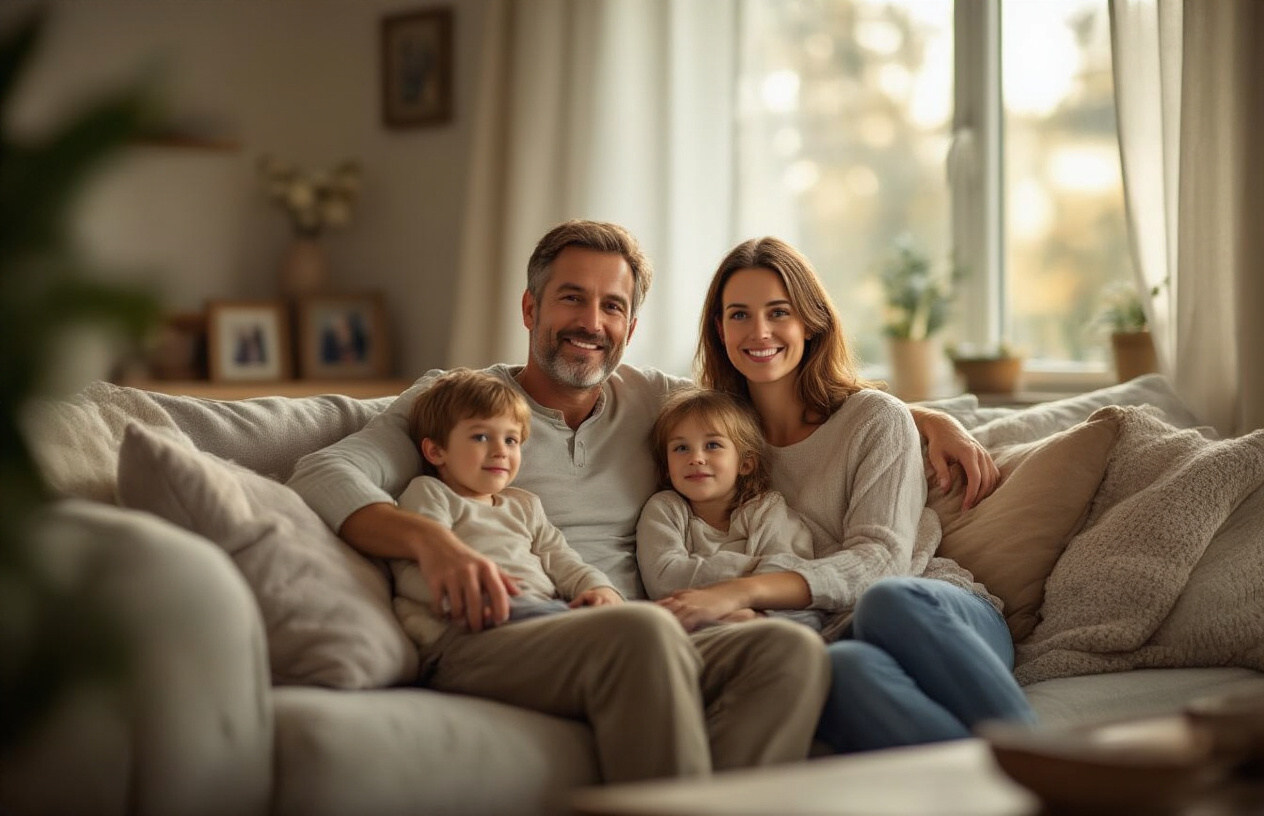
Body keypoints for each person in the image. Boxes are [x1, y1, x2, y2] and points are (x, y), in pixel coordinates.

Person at [287, 220, 995, 779]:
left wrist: (921, 415)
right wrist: (430, 542)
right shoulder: (460, 403)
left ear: (629, 325)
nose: (590, 321)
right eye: (571, 297)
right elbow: (323, 473)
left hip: (643, 632)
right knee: (644, 631)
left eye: (612, 305)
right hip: (507, 628)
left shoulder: (656, 402)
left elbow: (776, 395)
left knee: (788, 652)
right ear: (531, 306)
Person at [655, 236, 1035, 754]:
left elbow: (882, 560)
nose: (759, 331)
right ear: (720, 331)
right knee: (838, 669)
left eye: (778, 312)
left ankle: (1060, 769)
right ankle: (1014, 788)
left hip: (932, 613)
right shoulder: (715, 442)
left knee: (886, 600)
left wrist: (742, 591)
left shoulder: (875, 419)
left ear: (810, 322)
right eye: (739, 315)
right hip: (835, 634)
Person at [393, 368, 622, 669]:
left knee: (632, 628)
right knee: (625, 637)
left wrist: (598, 589)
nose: (501, 451)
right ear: (436, 451)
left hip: (540, 611)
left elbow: (562, 559)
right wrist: (465, 599)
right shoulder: (430, 493)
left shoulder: (524, 504)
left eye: (511, 440)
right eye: (481, 436)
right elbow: (409, 570)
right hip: (472, 626)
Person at [636, 387, 825, 631]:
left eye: (712, 445)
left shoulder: (766, 509)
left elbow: (788, 576)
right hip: (689, 625)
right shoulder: (664, 509)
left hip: (766, 618)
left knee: (804, 623)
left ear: (745, 463)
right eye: (681, 448)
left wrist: (745, 602)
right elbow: (664, 579)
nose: (696, 458)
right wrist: (754, 567)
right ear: (666, 467)